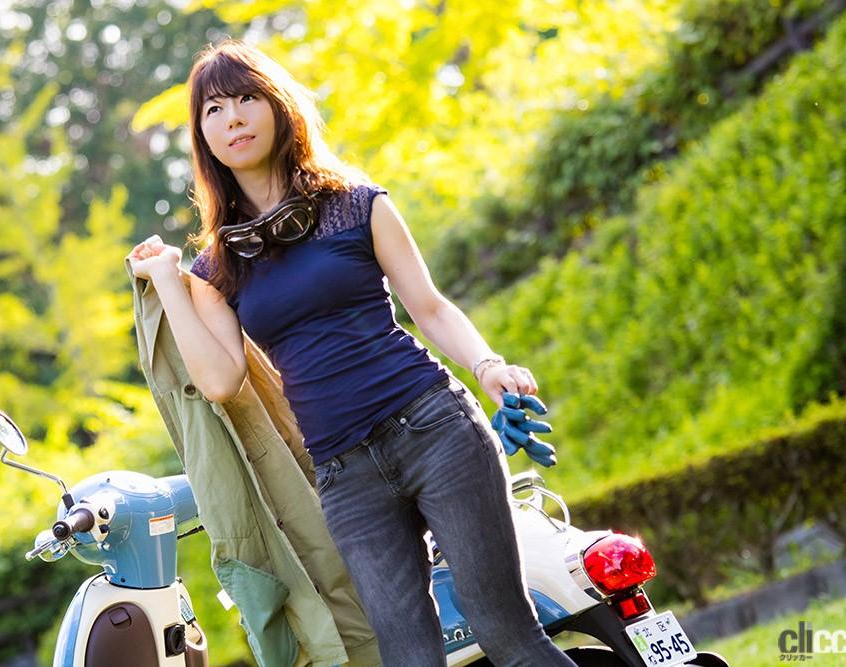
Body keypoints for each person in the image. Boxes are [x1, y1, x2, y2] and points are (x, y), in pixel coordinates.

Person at [127, 40, 577, 667]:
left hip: (434, 431)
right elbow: (221, 380)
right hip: (344, 474)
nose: (232, 118)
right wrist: (171, 283)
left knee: (508, 636)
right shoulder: (216, 266)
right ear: (202, 136)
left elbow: (432, 308)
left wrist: (489, 366)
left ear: (279, 108)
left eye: (247, 98)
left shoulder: (357, 204)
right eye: (214, 109)